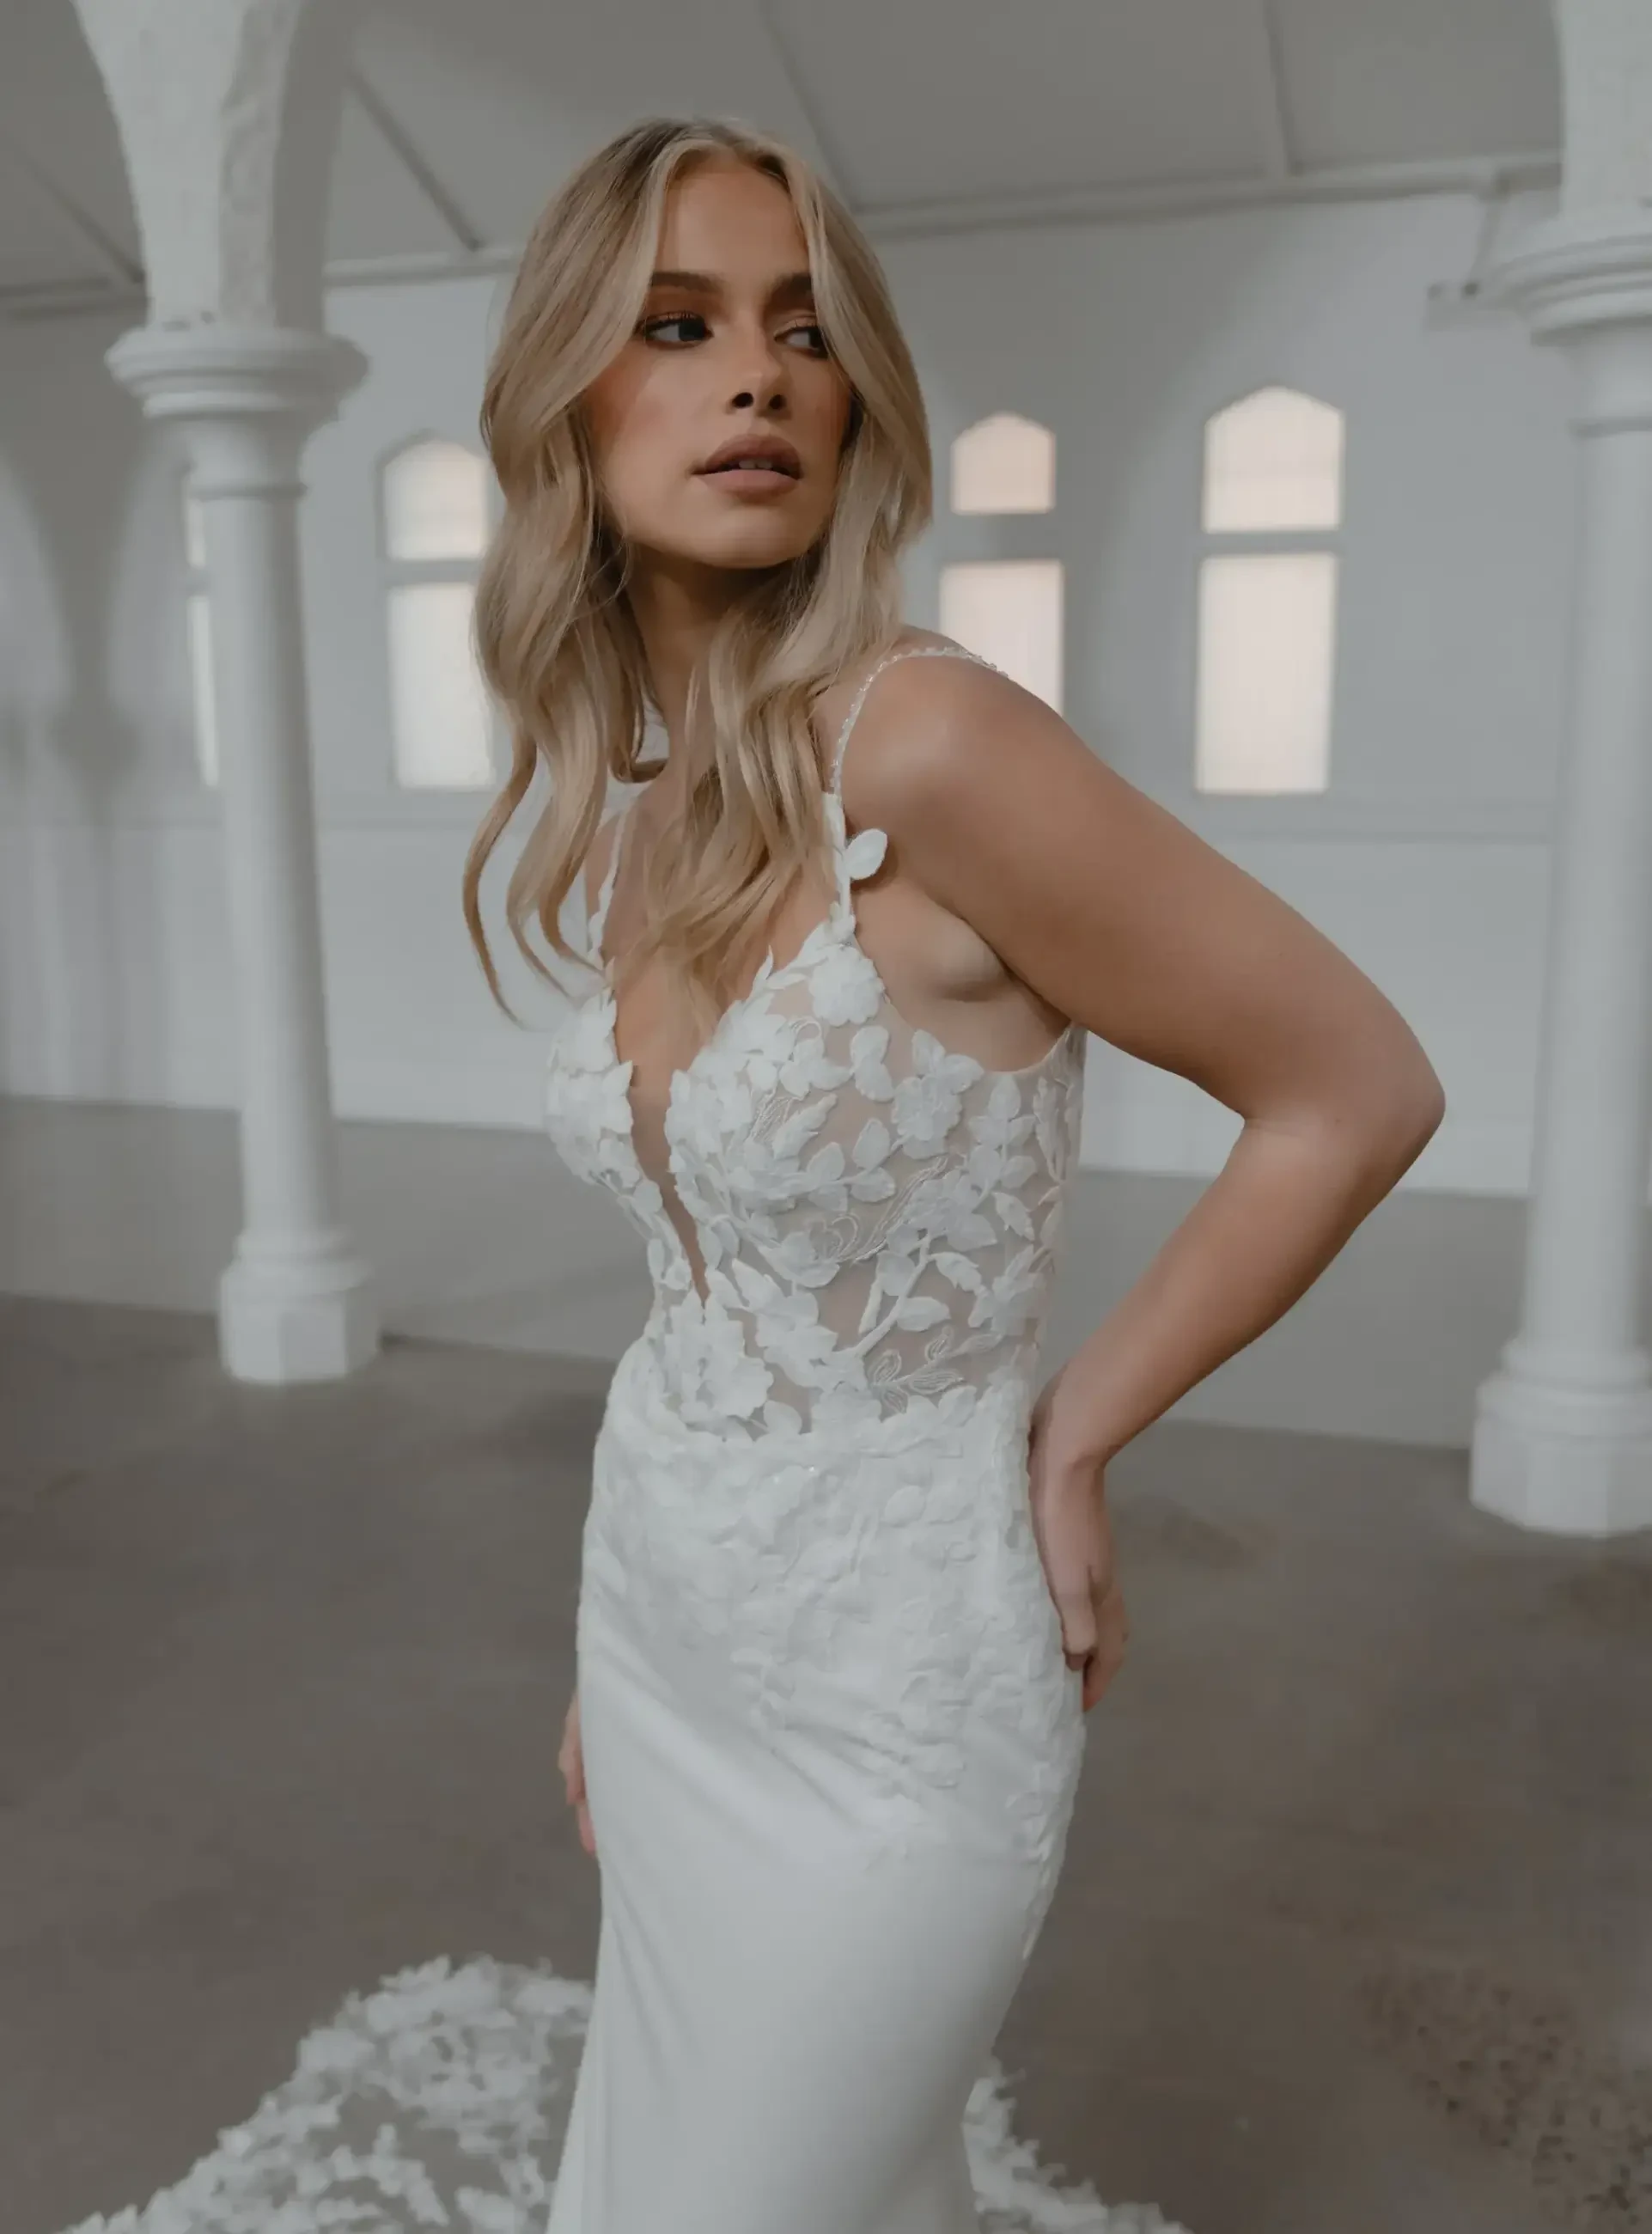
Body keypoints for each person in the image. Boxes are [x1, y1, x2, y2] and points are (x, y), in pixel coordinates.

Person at [462, 113, 1444, 2234]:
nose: (758, 374)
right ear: (565, 397)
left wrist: (1073, 1431)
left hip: (897, 1676)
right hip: (660, 1610)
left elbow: (1352, 1087)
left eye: (804, 331)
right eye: (677, 325)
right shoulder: (648, 820)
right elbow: (716, 1287)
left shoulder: (928, 746)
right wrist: (625, 1651)